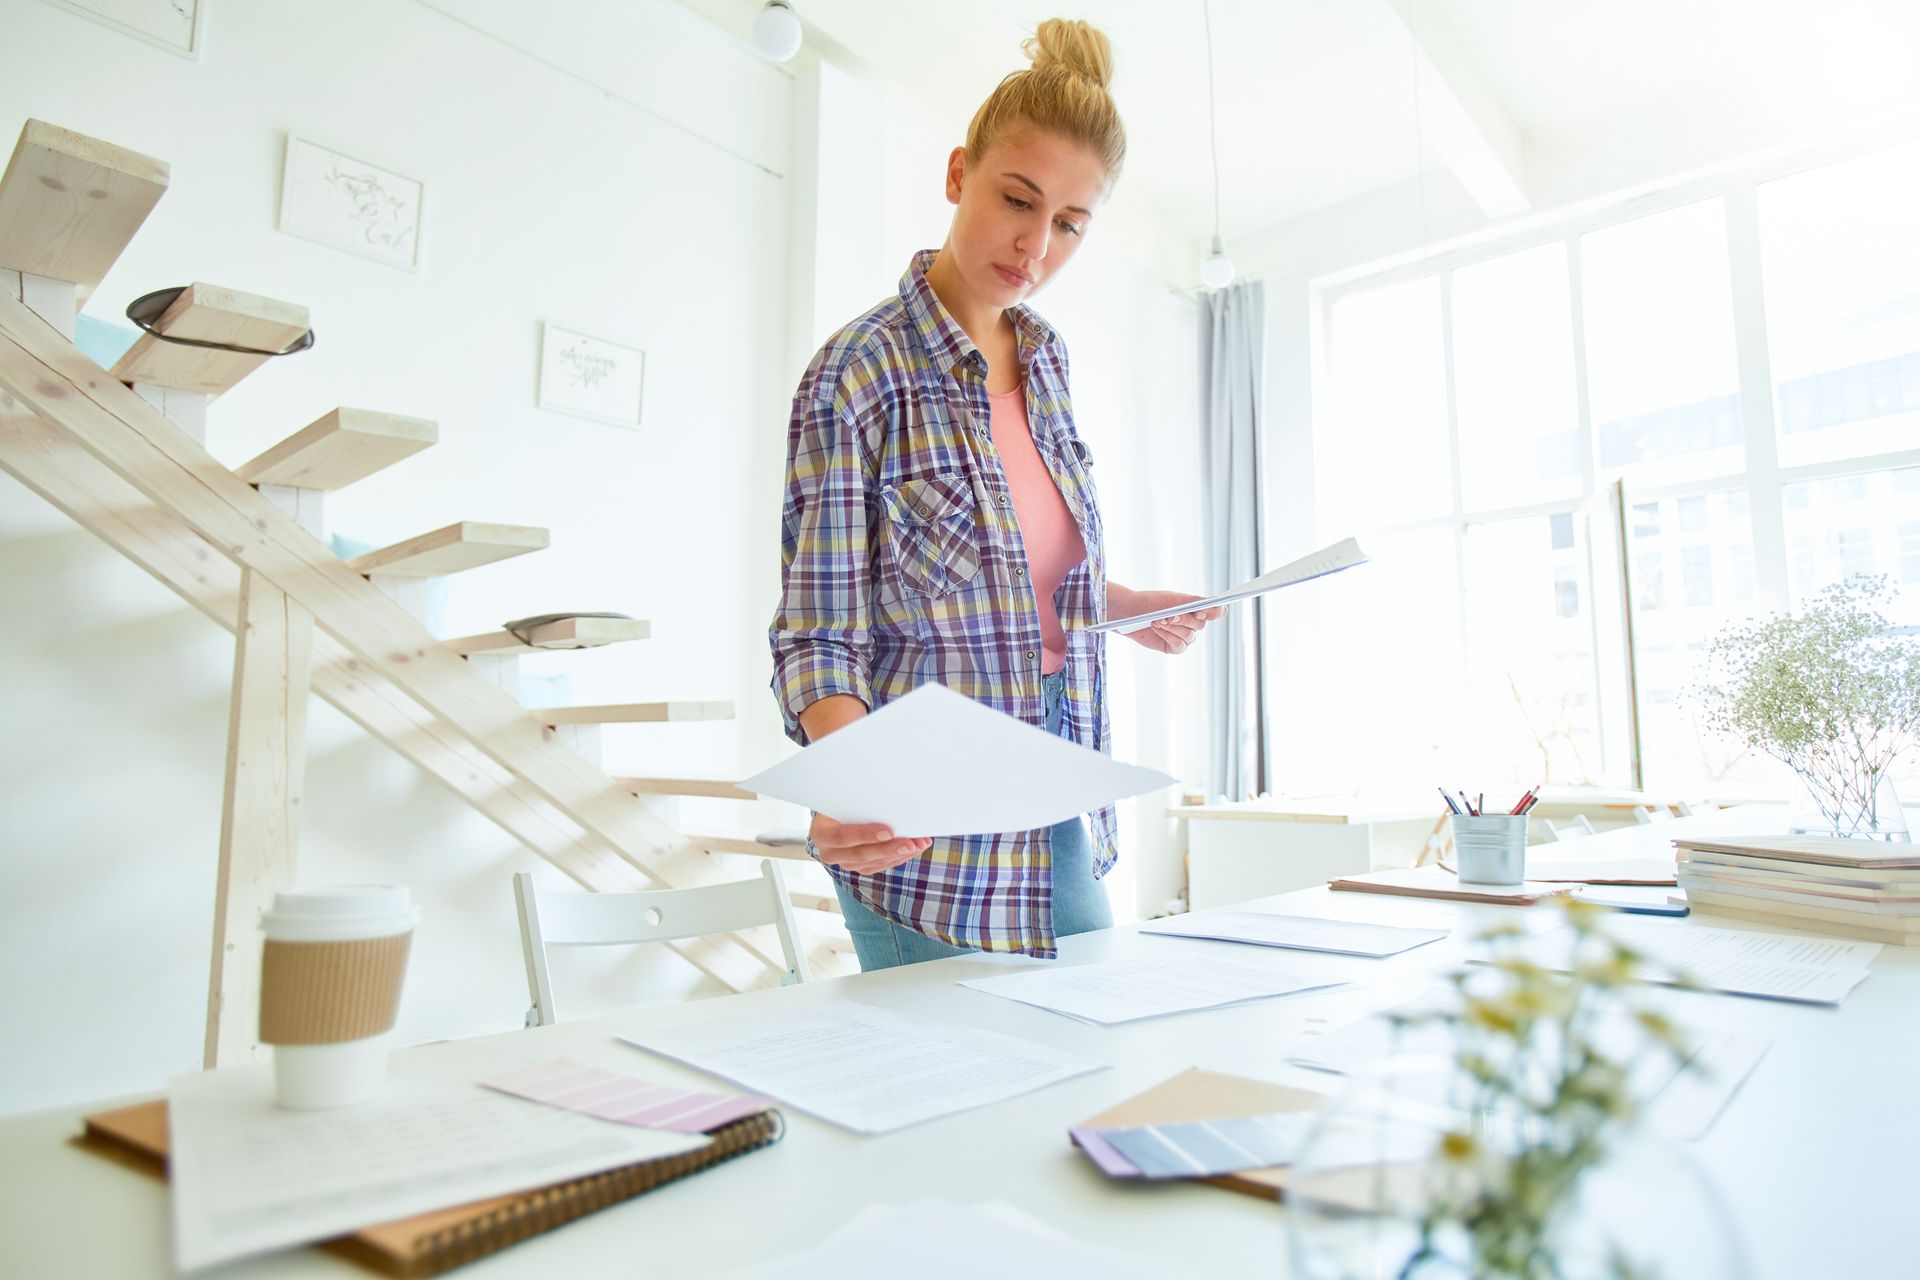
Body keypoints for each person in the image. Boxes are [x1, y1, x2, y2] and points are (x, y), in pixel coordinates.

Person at [769, 17, 1221, 970]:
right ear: (956, 173)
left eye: (1069, 224)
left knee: (1085, 1065)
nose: (1035, 244)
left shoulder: (1049, 363)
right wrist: (854, 784)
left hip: (1060, 778)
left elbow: (1014, 585)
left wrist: (1126, 606)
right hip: (927, 824)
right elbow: (818, 633)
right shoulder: (859, 374)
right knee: (958, 1099)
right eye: (1018, 199)